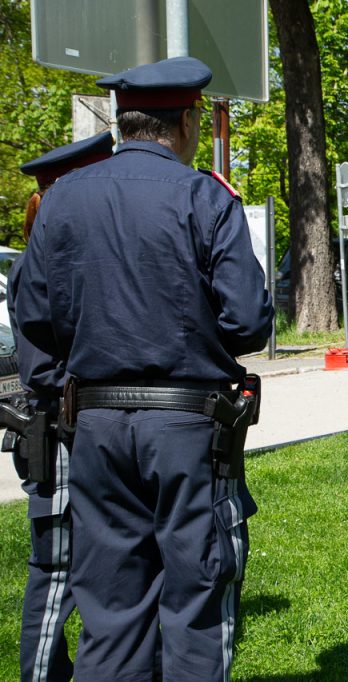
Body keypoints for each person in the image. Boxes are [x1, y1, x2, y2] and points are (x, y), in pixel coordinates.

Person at [15, 56, 274, 681]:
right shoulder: (204, 196)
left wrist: (68, 391)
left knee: (112, 610)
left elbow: (32, 318)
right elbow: (248, 322)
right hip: (187, 429)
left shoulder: (62, 200)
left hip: (95, 429)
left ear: (122, 123)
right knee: (197, 600)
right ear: (186, 121)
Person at [7, 131, 114, 682]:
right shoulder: (37, 265)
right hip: (58, 429)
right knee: (56, 573)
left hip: (76, 427)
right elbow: (44, 368)